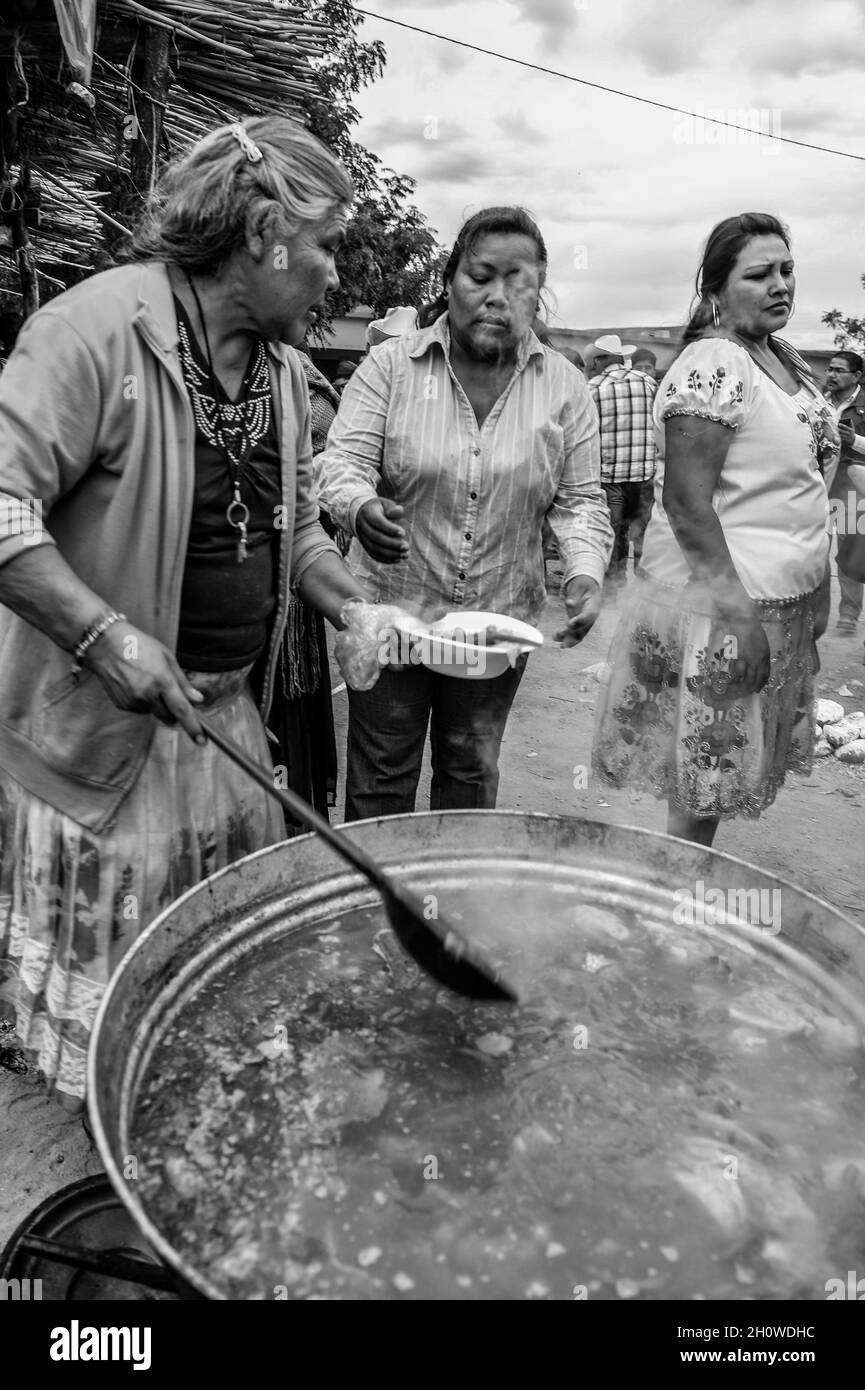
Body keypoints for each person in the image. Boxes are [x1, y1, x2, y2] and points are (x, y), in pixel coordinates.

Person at [0, 117, 369, 1107]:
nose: (335, 274)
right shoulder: (91, 331)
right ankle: (123, 1163)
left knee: (202, 987)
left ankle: (180, 1128)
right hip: (104, 748)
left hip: (223, 727)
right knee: (123, 1007)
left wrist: (350, 604)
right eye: (325, 243)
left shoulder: (284, 376)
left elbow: (288, 533)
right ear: (261, 232)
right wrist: (101, 634)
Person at [317, 205, 613, 820]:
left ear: (538, 295)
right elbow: (341, 462)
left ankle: (454, 902)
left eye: (518, 281)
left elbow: (581, 501)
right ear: (450, 280)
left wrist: (584, 571)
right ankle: (382, 905)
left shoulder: (564, 388)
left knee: (470, 770)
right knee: (381, 772)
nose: (497, 296)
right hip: (392, 618)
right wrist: (359, 506)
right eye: (480, 277)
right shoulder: (392, 367)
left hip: (496, 630)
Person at [593, 212, 838, 846]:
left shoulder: (780, 357)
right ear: (715, 290)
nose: (780, 284)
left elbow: (800, 483)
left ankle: (679, 901)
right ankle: (673, 907)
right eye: (758, 274)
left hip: (777, 601)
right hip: (724, 610)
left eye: (787, 270)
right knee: (701, 783)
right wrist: (739, 618)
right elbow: (687, 502)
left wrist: (816, 595)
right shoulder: (714, 362)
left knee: (717, 785)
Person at [588, 333, 658, 595]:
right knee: (644, 535)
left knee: (613, 535)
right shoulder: (648, 383)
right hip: (645, 474)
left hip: (610, 477)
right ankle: (644, 593)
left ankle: (612, 594)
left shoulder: (592, 388)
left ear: (599, 361)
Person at [823, 350, 865, 635]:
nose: (832, 375)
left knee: (850, 552)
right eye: (830, 369)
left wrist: (857, 440)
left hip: (852, 491)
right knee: (815, 552)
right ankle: (815, 613)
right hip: (818, 488)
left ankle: (849, 614)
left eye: (839, 370)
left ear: (857, 376)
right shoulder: (818, 402)